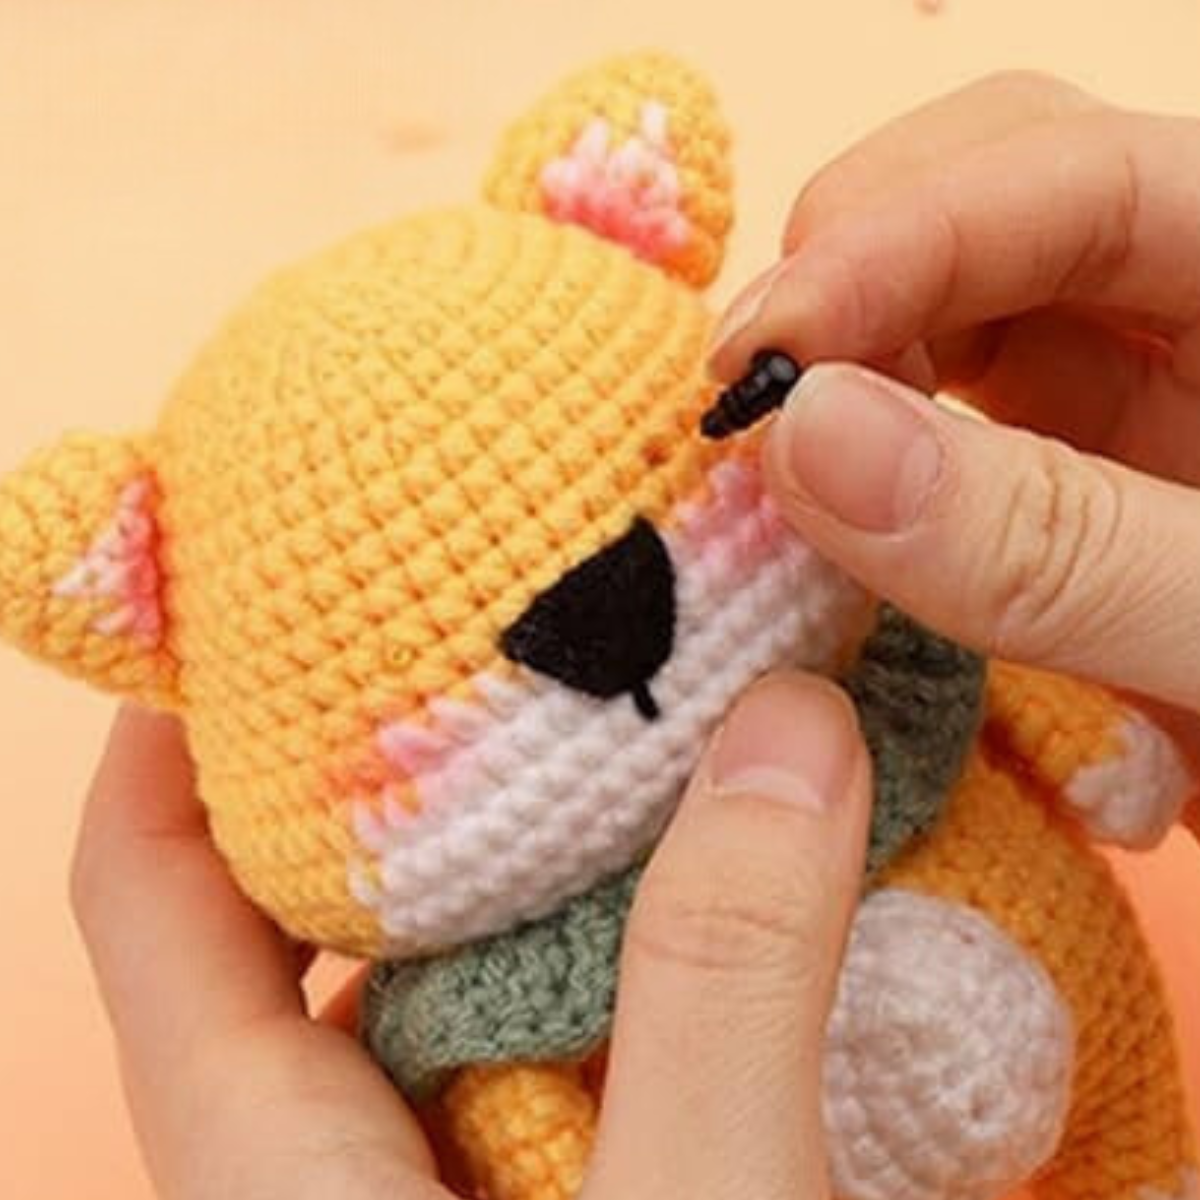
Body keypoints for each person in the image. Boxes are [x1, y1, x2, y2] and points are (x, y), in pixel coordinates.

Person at [73, 73, 1200, 1200]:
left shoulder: (915, 678)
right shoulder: (502, 1030)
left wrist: (1098, 740)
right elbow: (535, 1144)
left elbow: (1056, 720)